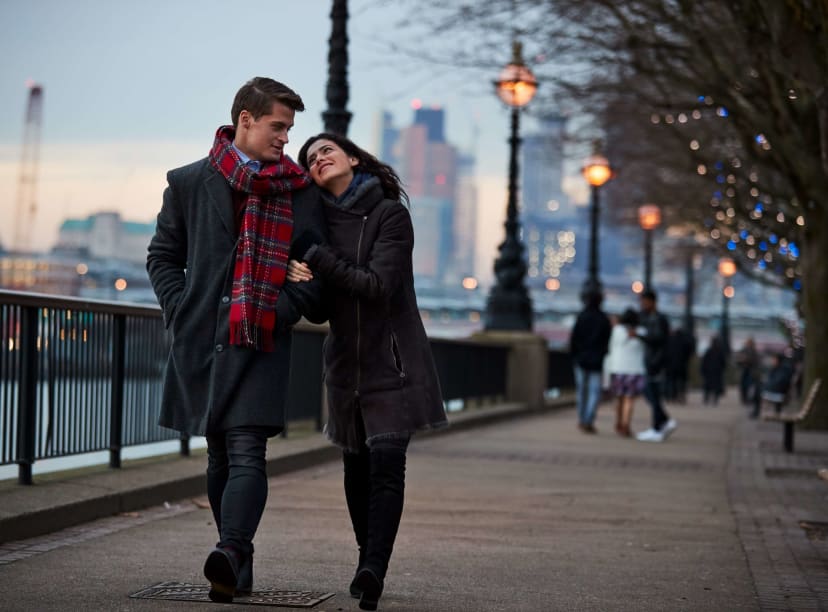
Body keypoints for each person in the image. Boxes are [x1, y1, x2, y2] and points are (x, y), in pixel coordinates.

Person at [146, 77, 327, 603]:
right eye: (278, 126)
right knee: (219, 455)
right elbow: (162, 257)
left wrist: (279, 308)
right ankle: (236, 565)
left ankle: (229, 548)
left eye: (290, 130)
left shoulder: (300, 194)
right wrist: (182, 310)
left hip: (260, 341)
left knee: (248, 451)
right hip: (202, 339)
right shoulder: (187, 182)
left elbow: (316, 280)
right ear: (245, 120)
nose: (285, 140)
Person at [287, 133, 448, 611]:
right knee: (355, 472)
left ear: (353, 159)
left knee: (385, 469)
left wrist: (316, 259)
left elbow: (376, 285)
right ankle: (366, 559)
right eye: (311, 158)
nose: (318, 159)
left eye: (326, 151)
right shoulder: (316, 223)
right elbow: (319, 312)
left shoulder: (389, 216)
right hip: (344, 366)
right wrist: (300, 278)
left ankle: (374, 567)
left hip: (392, 361)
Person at [635, 290, 677, 442]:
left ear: (652, 301)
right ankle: (660, 424)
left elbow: (657, 339)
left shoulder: (658, 319)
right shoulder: (650, 318)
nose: (642, 305)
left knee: (651, 393)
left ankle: (660, 425)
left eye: (644, 301)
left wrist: (640, 336)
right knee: (651, 393)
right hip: (653, 361)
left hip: (655, 362)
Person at [568, 291, 612, 433]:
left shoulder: (582, 316)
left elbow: (574, 338)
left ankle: (582, 420)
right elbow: (607, 341)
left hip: (581, 359)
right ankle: (589, 419)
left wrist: (575, 355)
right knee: (594, 392)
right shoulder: (604, 319)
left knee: (582, 391)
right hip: (597, 361)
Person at [604, 308, 646, 437]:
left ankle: (618, 422)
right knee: (629, 399)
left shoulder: (616, 331)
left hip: (618, 368)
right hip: (635, 370)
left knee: (619, 398)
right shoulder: (642, 332)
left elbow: (610, 348)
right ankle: (626, 424)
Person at [664, 326, 695, 403]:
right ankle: (681, 396)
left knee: (672, 381)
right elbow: (690, 351)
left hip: (671, 365)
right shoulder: (685, 341)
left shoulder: (670, 340)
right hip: (682, 365)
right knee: (682, 382)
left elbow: (666, 352)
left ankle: (672, 396)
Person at [700, 336, 727, 405]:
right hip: (716, 372)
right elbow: (723, 362)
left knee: (707, 386)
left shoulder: (709, 351)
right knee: (715, 387)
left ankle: (706, 399)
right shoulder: (720, 351)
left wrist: (703, 370)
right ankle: (714, 400)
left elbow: (704, 362)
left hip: (710, 371)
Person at [736, 337, 759, 405]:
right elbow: (738, 360)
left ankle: (749, 399)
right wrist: (742, 360)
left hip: (750, 371)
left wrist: (748, 360)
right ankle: (744, 399)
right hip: (744, 370)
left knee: (749, 386)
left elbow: (756, 361)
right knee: (743, 386)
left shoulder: (753, 351)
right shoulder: (743, 350)